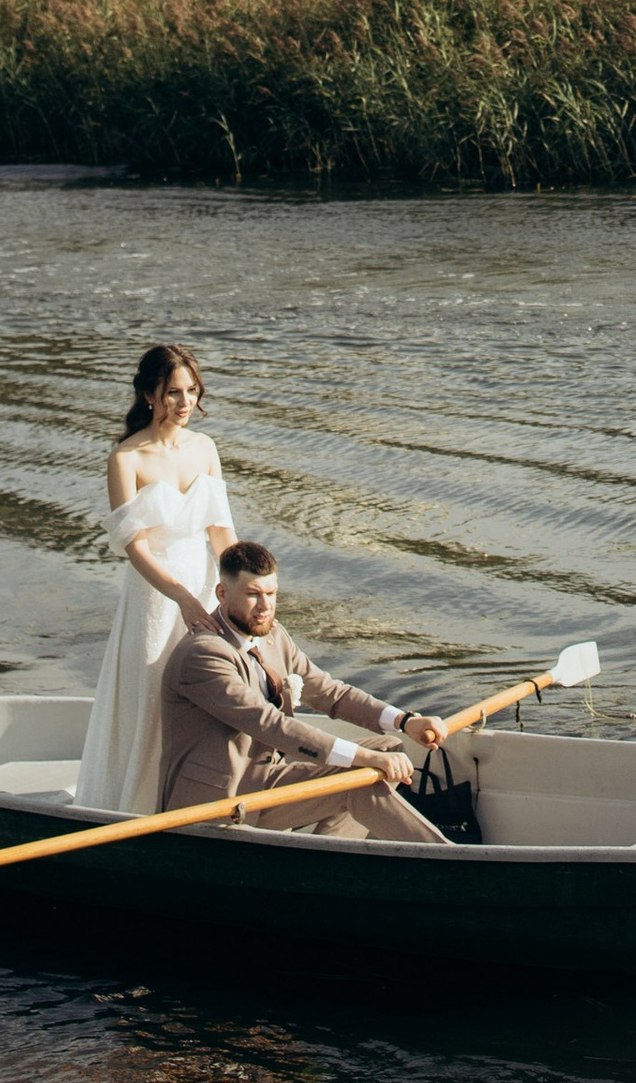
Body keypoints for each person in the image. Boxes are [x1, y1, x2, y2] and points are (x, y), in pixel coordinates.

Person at [157, 541, 450, 844]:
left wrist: (405, 721)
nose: (265, 606)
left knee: (388, 747)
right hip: (221, 801)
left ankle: (330, 856)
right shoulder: (203, 655)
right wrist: (363, 757)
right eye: (253, 594)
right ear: (222, 593)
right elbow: (269, 724)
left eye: (271, 594)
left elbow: (330, 693)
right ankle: (450, 862)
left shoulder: (273, 636)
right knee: (357, 779)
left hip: (265, 779)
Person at [74, 344, 237, 815]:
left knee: (210, 692)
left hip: (205, 586)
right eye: (172, 393)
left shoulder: (205, 448)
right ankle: (139, 809)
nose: (185, 403)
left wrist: (237, 591)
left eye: (192, 392)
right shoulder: (126, 459)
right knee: (150, 700)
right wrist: (182, 598)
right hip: (156, 596)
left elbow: (221, 533)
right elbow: (135, 548)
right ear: (149, 394)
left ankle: (200, 800)